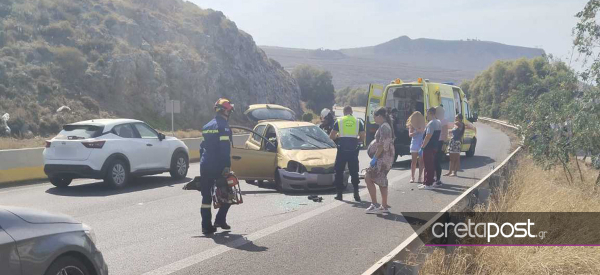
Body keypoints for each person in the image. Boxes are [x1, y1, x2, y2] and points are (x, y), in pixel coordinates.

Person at [199, 98, 235, 235]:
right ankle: (220, 219)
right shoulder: (224, 126)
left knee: (206, 198)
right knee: (230, 193)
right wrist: (227, 166)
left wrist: (204, 161)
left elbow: (202, 148)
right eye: (229, 110)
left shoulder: (207, 126)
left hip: (205, 165)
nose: (229, 112)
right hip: (218, 166)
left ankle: (206, 227)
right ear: (225, 111)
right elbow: (224, 149)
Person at [329, 106, 366, 201]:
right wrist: (358, 141)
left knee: (339, 172)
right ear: (352, 112)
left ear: (344, 112)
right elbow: (362, 136)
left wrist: (338, 136)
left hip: (342, 150)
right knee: (354, 172)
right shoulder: (358, 121)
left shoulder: (339, 121)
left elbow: (332, 136)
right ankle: (356, 194)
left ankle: (339, 194)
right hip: (353, 150)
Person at [365, 107, 395, 214]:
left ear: (379, 116)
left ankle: (375, 204)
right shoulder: (385, 126)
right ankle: (384, 205)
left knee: (368, 177)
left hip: (383, 158)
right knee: (382, 180)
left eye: (374, 116)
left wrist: (375, 158)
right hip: (386, 157)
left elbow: (382, 145)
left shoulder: (384, 127)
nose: (374, 119)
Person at [418, 107, 441, 190]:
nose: (426, 115)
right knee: (428, 165)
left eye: (427, 113)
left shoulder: (431, 123)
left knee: (428, 165)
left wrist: (422, 147)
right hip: (434, 146)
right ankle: (426, 182)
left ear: (430, 113)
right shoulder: (438, 122)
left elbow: (428, 136)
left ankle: (429, 183)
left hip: (428, 147)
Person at [407, 111, 425, 183]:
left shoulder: (424, 124)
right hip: (414, 144)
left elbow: (425, 132)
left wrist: (421, 129)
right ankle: (412, 177)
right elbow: (410, 134)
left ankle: (420, 177)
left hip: (421, 144)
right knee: (413, 161)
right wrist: (416, 131)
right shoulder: (411, 125)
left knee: (421, 161)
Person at [434, 105, 448, 186]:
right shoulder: (434, 120)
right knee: (433, 161)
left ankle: (438, 179)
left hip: (440, 142)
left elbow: (445, 133)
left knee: (437, 161)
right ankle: (434, 178)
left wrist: (444, 144)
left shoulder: (444, 120)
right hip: (433, 142)